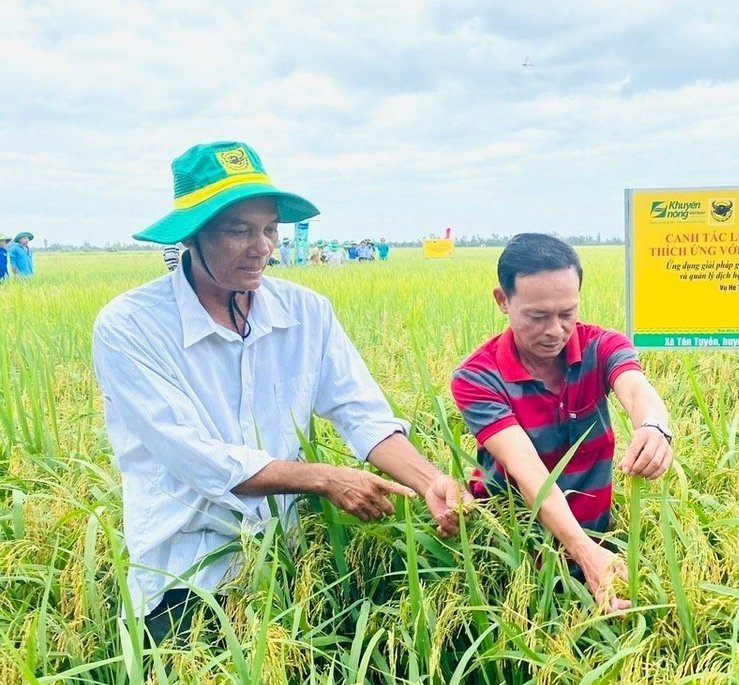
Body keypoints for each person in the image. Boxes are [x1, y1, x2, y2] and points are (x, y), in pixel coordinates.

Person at [92, 140, 470, 641]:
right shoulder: (132, 326)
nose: (263, 246)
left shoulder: (307, 313)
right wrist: (323, 478)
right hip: (182, 573)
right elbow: (195, 457)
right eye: (239, 230)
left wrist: (430, 481)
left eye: (270, 228)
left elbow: (362, 415)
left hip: (284, 565)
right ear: (192, 236)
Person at [451, 233, 674, 613]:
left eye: (567, 314)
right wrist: (584, 552)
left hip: (595, 533)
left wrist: (655, 426)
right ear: (503, 301)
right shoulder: (477, 377)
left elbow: (637, 389)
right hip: (513, 550)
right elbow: (530, 475)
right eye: (537, 316)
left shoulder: (600, 346)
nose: (555, 330)